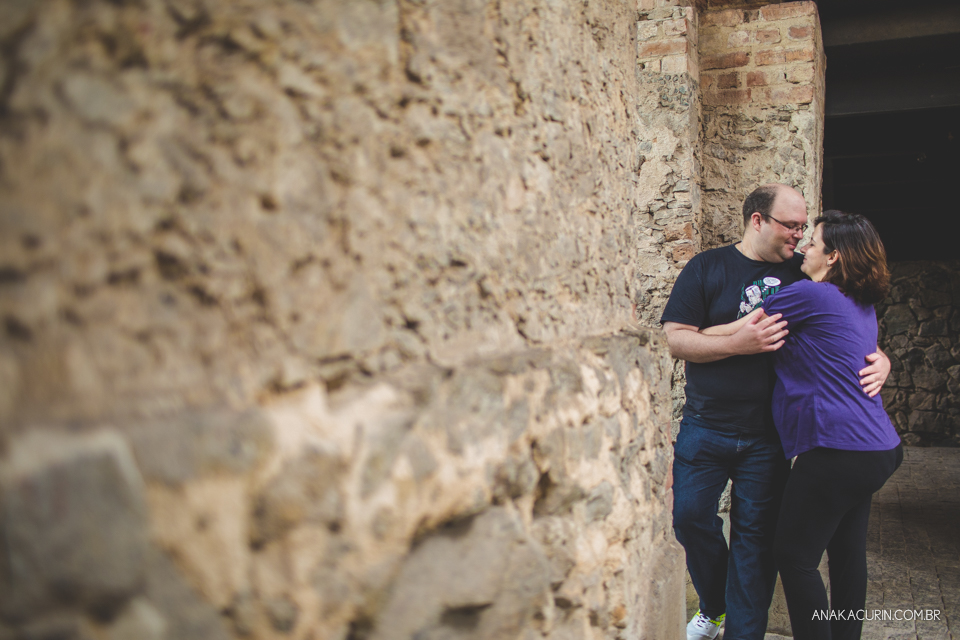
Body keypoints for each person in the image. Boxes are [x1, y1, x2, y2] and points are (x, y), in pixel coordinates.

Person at [660, 185, 890, 640]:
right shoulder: (707, 267)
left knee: (756, 545)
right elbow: (675, 338)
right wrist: (733, 344)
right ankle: (715, 604)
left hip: (770, 436)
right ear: (757, 220)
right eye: (792, 226)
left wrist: (883, 357)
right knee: (688, 518)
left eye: (806, 229)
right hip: (705, 425)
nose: (800, 238)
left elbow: (847, 326)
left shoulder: (805, 276)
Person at [754, 211, 901, 640]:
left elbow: (751, 327)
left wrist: (685, 335)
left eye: (812, 243)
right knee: (846, 553)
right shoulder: (861, 304)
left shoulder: (811, 295)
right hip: (878, 448)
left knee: (794, 556)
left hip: (841, 450)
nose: (803, 248)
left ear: (833, 257)